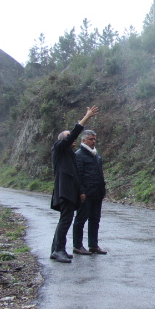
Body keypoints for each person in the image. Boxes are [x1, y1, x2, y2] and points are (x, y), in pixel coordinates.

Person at [50, 106, 99, 263]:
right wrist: (86, 117)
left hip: (71, 192)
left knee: (65, 220)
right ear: (62, 140)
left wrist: (80, 191)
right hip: (64, 192)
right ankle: (58, 250)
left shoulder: (70, 155)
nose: (72, 139)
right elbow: (74, 134)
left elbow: (76, 176)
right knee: (65, 221)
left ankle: (56, 249)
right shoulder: (58, 149)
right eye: (68, 137)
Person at [72, 129, 107, 255]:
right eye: (91, 139)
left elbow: (100, 174)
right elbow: (78, 175)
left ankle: (93, 245)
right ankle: (77, 245)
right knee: (81, 219)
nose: (93, 142)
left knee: (95, 219)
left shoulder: (96, 155)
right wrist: (81, 191)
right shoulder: (78, 155)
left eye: (94, 139)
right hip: (85, 194)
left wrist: (103, 190)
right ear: (83, 140)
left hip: (97, 192)